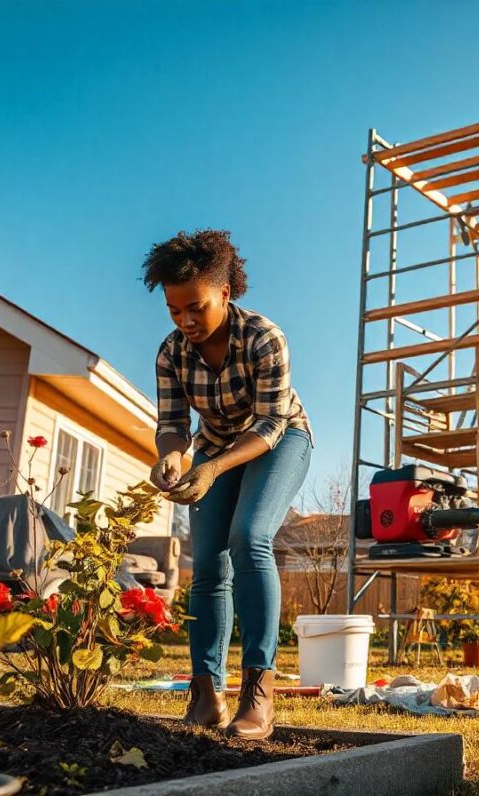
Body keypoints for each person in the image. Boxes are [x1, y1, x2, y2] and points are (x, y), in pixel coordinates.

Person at [143, 229, 312, 738]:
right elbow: (172, 425)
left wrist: (213, 468)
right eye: (174, 310)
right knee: (209, 560)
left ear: (225, 293)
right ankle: (205, 695)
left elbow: (268, 425)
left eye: (195, 307)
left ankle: (259, 692)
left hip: (279, 440)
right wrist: (171, 460)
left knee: (250, 536)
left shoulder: (264, 337)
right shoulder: (171, 353)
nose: (185, 321)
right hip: (215, 447)